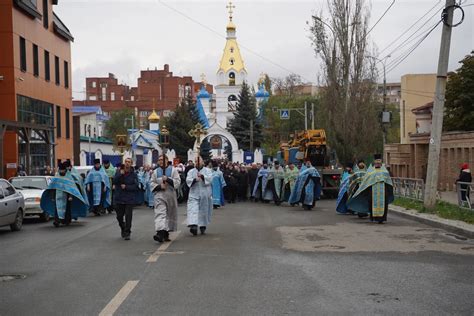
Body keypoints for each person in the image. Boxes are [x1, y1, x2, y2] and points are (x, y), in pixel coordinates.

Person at [347, 154, 394, 223]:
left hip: (383, 191)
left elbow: (388, 181)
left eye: (379, 161)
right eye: (376, 161)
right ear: (374, 161)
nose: (378, 162)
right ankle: (374, 217)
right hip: (372, 191)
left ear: (381, 162)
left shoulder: (385, 171)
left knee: (383, 204)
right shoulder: (370, 171)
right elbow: (366, 182)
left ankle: (381, 218)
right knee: (372, 203)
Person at [40, 162, 89, 227]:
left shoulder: (69, 177)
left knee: (67, 209)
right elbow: (52, 187)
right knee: (57, 209)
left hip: (67, 196)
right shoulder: (56, 177)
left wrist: (71, 196)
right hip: (57, 196)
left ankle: (66, 220)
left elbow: (72, 188)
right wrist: (52, 196)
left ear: (65, 170)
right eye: (60, 170)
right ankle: (57, 221)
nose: (61, 171)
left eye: (62, 170)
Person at [150, 156, 181, 243]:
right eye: (159, 160)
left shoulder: (173, 170)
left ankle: (165, 233)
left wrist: (168, 179)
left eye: (162, 160)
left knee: (169, 214)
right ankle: (159, 233)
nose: (161, 161)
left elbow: (177, 182)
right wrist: (160, 186)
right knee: (160, 213)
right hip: (160, 195)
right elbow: (151, 183)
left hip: (170, 195)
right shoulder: (155, 172)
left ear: (167, 160)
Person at [186, 157, 213, 236]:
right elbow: (188, 180)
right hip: (194, 193)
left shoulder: (208, 170)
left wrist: (202, 177)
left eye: (199, 161)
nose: (197, 163)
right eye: (196, 161)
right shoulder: (191, 171)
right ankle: (193, 225)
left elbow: (210, 179)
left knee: (203, 210)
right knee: (193, 209)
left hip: (205, 193)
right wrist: (194, 180)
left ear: (202, 162)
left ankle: (202, 225)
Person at [113, 158, 139, 240]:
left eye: (129, 162)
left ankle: (127, 232)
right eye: (126, 162)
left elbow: (136, 186)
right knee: (119, 216)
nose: (127, 163)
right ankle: (122, 226)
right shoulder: (118, 172)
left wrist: (127, 187)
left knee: (128, 216)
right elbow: (114, 181)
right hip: (119, 197)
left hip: (129, 198)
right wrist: (120, 174)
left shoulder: (133, 174)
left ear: (131, 164)